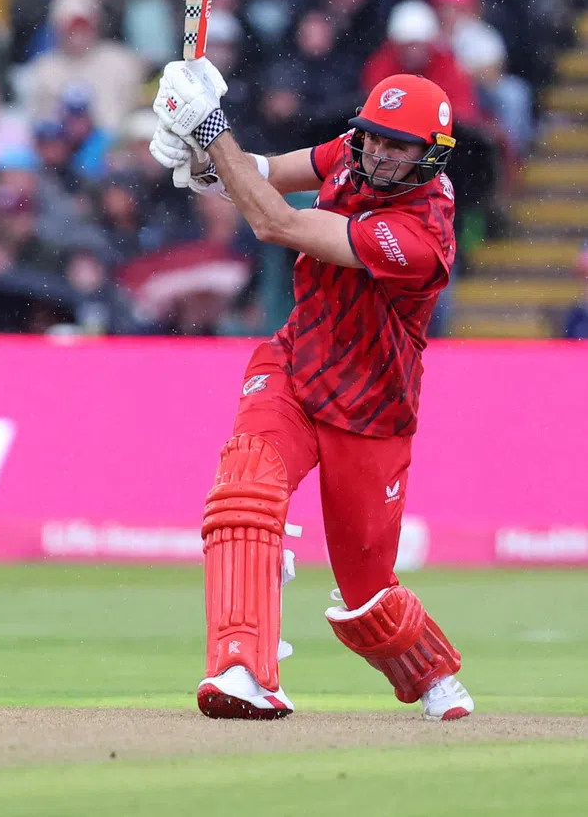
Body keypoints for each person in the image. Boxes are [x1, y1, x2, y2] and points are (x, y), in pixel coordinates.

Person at [149, 57, 474, 723]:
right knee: (243, 494)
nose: (377, 152)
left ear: (432, 157)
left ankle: (433, 673)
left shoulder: (420, 235)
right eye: (372, 135)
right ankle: (242, 669)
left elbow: (280, 225)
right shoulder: (349, 156)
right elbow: (263, 174)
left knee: (367, 597)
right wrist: (200, 159)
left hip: (372, 409)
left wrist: (211, 128)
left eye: (397, 144)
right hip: (296, 366)